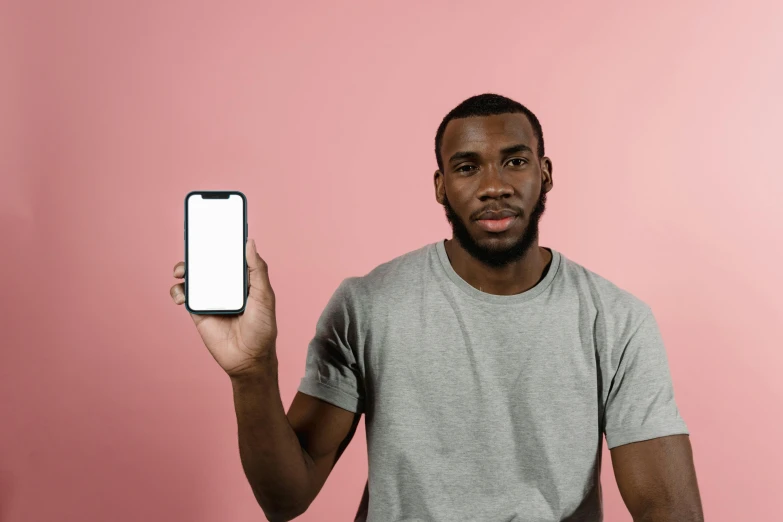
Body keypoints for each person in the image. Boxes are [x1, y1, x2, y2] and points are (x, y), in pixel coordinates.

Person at [169, 93, 704, 522]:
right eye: (467, 167)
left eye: (514, 162)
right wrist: (251, 371)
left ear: (544, 173)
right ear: (440, 186)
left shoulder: (616, 319)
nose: (494, 186)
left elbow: (668, 509)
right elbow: (285, 499)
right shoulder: (367, 305)